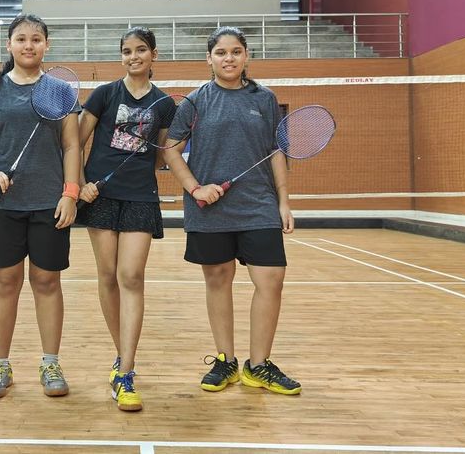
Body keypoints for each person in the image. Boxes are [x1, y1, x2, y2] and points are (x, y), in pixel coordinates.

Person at [162, 26, 301, 396]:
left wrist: (284, 201)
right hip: (211, 210)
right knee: (218, 280)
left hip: (258, 205)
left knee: (271, 280)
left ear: (246, 56)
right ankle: (226, 360)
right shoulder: (195, 102)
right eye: (221, 52)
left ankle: (259, 365)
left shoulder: (265, 99)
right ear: (209, 58)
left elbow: (276, 152)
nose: (228, 58)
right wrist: (195, 188)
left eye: (236, 51)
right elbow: (171, 149)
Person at [0, 14, 81, 400]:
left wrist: (70, 193)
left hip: (49, 203)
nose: (28, 45)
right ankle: (0, 364)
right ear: (9, 44)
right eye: (21, 39)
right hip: (2, 204)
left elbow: (72, 145)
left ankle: (50, 362)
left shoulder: (60, 90)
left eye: (36, 39)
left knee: (47, 282)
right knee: (4, 283)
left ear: (46, 45)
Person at [75, 27, 169, 412]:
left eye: (141, 49)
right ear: (122, 56)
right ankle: (122, 355)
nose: (134, 56)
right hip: (99, 195)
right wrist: (80, 184)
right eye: (127, 51)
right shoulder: (104, 94)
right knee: (108, 275)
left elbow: (161, 157)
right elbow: (75, 141)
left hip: (140, 197)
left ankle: (126, 371)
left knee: (131, 276)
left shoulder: (164, 103)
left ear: (153, 54)